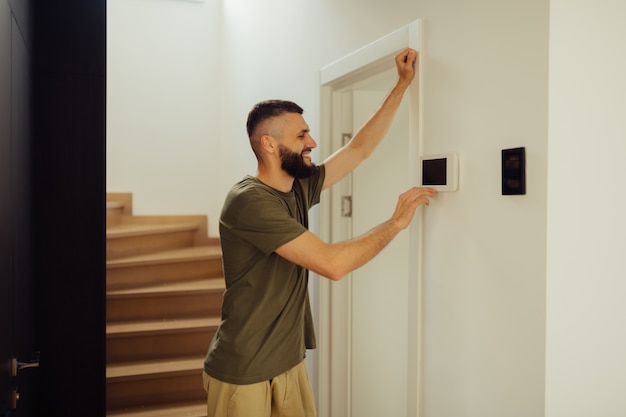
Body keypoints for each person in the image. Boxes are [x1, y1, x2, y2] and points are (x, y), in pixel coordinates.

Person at [203, 47, 435, 417]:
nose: (311, 143)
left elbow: (359, 149)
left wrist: (402, 85)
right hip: (244, 370)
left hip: (288, 360)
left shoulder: (297, 186)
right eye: (302, 135)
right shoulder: (248, 202)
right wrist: (394, 224)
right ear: (269, 144)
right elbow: (332, 263)